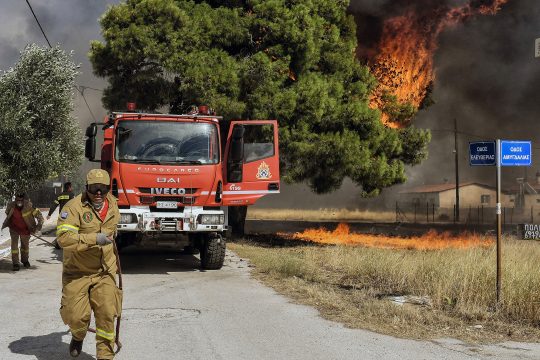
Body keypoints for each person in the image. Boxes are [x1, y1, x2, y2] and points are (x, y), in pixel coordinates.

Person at [56, 169, 122, 359]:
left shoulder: (113, 205)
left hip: (105, 271)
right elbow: (64, 239)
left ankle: (105, 356)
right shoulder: (73, 207)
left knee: (107, 315)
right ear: (86, 188)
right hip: (78, 272)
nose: (98, 193)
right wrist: (95, 238)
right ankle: (78, 335)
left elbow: (114, 228)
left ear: (109, 188)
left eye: (103, 188)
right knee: (76, 317)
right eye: (94, 188)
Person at [1, 193, 44, 271]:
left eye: (21, 200)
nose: (19, 202)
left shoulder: (29, 206)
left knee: (25, 246)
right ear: (15, 199)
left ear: (24, 200)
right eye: (17, 200)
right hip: (14, 229)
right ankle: (15, 263)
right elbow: (7, 213)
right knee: (14, 246)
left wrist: (37, 228)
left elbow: (40, 217)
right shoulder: (11, 205)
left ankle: (25, 260)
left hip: (26, 230)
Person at [46, 182, 74, 249]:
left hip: (63, 215)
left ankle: (59, 244)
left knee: (61, 229)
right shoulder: (71, 195)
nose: (72, 188)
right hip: (70, 215)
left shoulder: (60, 195)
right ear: (69, 187)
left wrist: (49, 214)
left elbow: (54, 205)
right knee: (70, 229)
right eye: (71, 187)